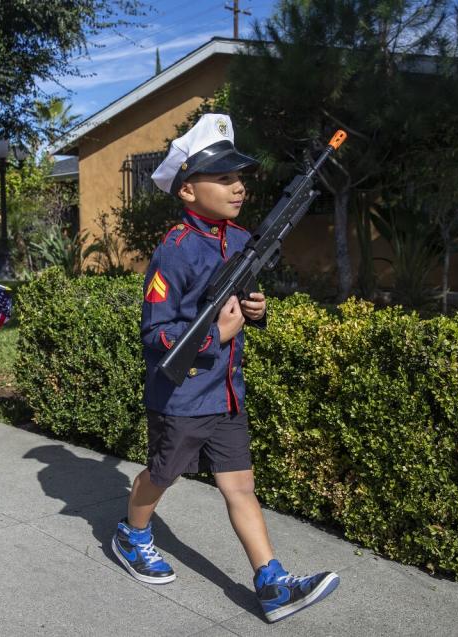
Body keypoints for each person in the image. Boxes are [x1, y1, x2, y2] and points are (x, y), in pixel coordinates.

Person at [110, 114, 339, 623]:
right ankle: (133, 534)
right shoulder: (174, 250)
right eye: (225, 179)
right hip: (183, 397)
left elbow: (241, 303)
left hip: (227, 395)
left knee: (240, 487)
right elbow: (156, 334)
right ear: (188, 190)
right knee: (162, 474)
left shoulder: (240, 240)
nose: (238, 187)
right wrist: (218, 335)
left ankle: (272, 582)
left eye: (240, 179)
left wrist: (255, 312)